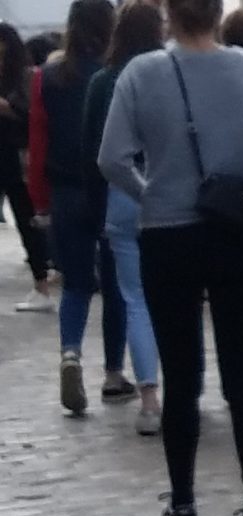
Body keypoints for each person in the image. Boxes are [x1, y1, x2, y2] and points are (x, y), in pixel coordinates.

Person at [99, 0, 243, 516]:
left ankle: (183, 502)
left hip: (170, 236)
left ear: (170, 16)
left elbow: (112, 158)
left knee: (182, 375)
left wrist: (153, 194)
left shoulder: (143, 72)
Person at [30, 0, 127, 415]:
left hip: (67, 191)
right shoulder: (117, 76)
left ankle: (70, 352)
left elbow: (39, 144)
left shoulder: (49, 77)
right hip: (110, 189)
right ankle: (114, 374)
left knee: (75, 284)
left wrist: (40, 198)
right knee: (116, 284)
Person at [82, 0, 165, 436]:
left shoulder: (104, 80)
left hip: (122, 198)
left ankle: (149, 398)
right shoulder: (169, 75)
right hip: (169, 196)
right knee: (176, 297)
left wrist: (98, 210)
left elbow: (93, 152)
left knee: (135, 299)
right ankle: (184, 386)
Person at [0, 22, 53, 314]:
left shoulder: (25, 76)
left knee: (27, 221)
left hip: (18, 157)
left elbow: (32, 116)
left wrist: (7, 108)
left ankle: (41, 285)